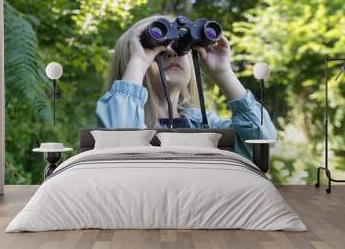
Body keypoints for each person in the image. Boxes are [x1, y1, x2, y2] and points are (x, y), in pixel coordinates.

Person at [95, 15, 277, 159]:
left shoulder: (203, 124)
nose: (171, 52)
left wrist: (223, 72)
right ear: (130, 67)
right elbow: (120, 139)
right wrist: (139, 59)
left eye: (180, 46)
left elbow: (261, 142)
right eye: (156, 49)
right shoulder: (127, 119)